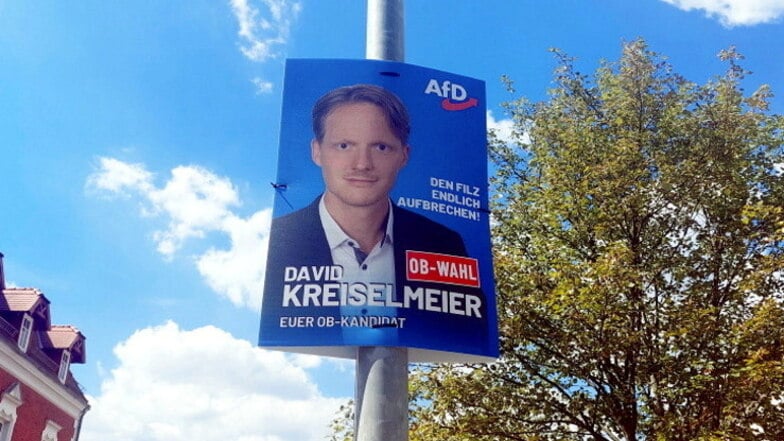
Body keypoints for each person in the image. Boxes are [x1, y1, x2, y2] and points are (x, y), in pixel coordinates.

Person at [261, 84, 485, 353]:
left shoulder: (443, 244)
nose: (362, 163)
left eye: (380, 147)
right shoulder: (283, 242)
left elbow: (468, 333)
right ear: (317, 151)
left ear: (404, 155)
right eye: (344, 145)